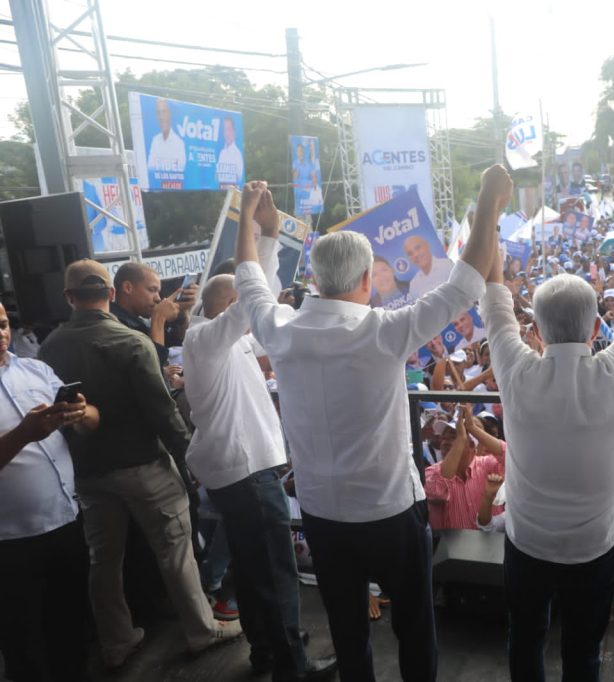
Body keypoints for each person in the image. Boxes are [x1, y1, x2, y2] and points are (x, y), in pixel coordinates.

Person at [232, 166, 505, 682]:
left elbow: (249, 282)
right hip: (389, 511)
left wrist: (257, 223)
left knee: (348, 629)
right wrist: (489, 199)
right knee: (415, 626)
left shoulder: (281, 331)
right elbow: (465, 284)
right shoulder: (385, 330)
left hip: (321, 512)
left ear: (315, 280)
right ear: (365, 281)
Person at [481, 196, 614, 681]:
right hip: (595, 545)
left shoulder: (515, 369)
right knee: (584, 652)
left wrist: (490, 213)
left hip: (528, 540)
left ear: (533, 330)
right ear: (599, 326)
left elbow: (493, 291)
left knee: (525, 641)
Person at [37, 259, 242, 666]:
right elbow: (162, 412)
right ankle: (202, 630)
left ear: (68, 297)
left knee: (104, 560)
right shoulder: (131, 342)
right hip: (144, 465)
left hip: (89, 473)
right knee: (175, 552)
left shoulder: (48, 348)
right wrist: (191, 461)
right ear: (112, 294)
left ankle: (116, 642)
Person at [182, 207, 336, 681]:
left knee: (252, 569)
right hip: (245, 474)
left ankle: (268, 647)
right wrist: (262, 233)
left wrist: (266, 239)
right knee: (275, 568)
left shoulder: (232, 344)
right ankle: (292, 663)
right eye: (241, 301)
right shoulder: (204, 339)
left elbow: (259, 301)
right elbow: (254, 298)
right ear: (226, 305)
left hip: (242, 471)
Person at [0, 301, 98, 682]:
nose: (2, 333)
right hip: (10, 542)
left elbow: (92, 419)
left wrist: (82, 412)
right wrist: (25, 434)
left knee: (72, 629)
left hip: (65, 523)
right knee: (24, 643)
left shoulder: (35, 369)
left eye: (5, 323)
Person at [424, 408, 505, 531]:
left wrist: (472, 427)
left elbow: (513, 458)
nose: (445, 443)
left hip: (491, 543)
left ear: (472, 445)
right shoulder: (431, 472)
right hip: (449, 548)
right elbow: (437, 493)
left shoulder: (489, 465)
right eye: (444, 438)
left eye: (453, 438)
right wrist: (462, 438)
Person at [110, 262, 194, 366]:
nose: (158, 298)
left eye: (158, 292)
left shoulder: (139, 321)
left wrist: (181, 312)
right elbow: (154, 367)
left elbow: (176, 344)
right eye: (152, 290)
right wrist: (159, 318)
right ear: (128, 288)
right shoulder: (114, 325)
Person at [405, 235, 455, 300]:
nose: (416, 254)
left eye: (417, 248)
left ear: (426, 245)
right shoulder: (414, 285)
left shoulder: (447, 265)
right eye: (410, 253)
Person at [148, 98, 186, 173]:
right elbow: (150, 168)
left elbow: (181, 171)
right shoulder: (155, 140)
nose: (161, 117)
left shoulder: (179, 143)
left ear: (170, 114)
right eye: (158, 113)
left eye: (164, 112)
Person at [216, 116, 244, 186]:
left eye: (229, 130)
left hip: (233, 192)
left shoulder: (237, 154)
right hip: (222, 190)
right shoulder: (222, 153)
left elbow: (239, 178)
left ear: (234, 131)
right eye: (225, 130)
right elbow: (217, 177)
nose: (227, 134)